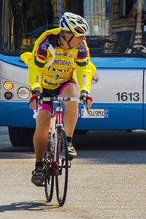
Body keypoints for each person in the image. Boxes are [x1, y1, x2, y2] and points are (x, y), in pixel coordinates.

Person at [21, 12, 94, 187]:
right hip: (44, 86)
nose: (83, 40)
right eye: (80, 36)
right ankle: (39, 167)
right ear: (67, 35)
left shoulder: (80, 47)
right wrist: (36, 90)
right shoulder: (46, 43)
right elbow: (35, 68)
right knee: (43, 123)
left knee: (73, 96)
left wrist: (85, 91)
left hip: (65, 82)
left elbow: (84, 69)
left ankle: (68, 143)